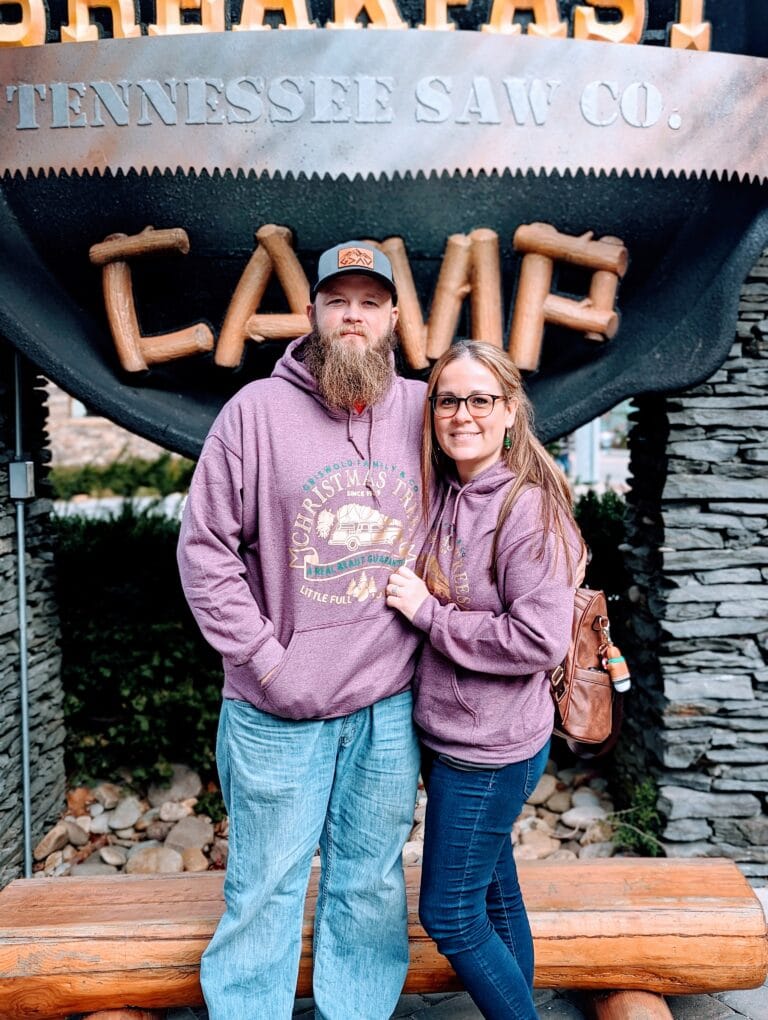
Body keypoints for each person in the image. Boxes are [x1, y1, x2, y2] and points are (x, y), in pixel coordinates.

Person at [177, 241, 428, 1020]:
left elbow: (495, 502)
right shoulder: (253, 413)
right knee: (264, 889)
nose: (353, 315)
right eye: (337, 300)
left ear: (391, 317)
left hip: (388, 708)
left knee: (369, 885)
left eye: (370, 301)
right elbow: (204, 549)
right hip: (276, 710)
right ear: (313, 312)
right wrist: (265, 662)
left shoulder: (425, 409)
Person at [386, 340, 583, 1020]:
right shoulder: (448, 491)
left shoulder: (527, 509)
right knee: (496, 896)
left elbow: (538, 638)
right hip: (456, 738)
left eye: (479, 399)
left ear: (508, 412)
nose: (461, 413)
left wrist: (429, 616)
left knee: (450, 914)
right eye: (448, 399)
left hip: (490, 751)